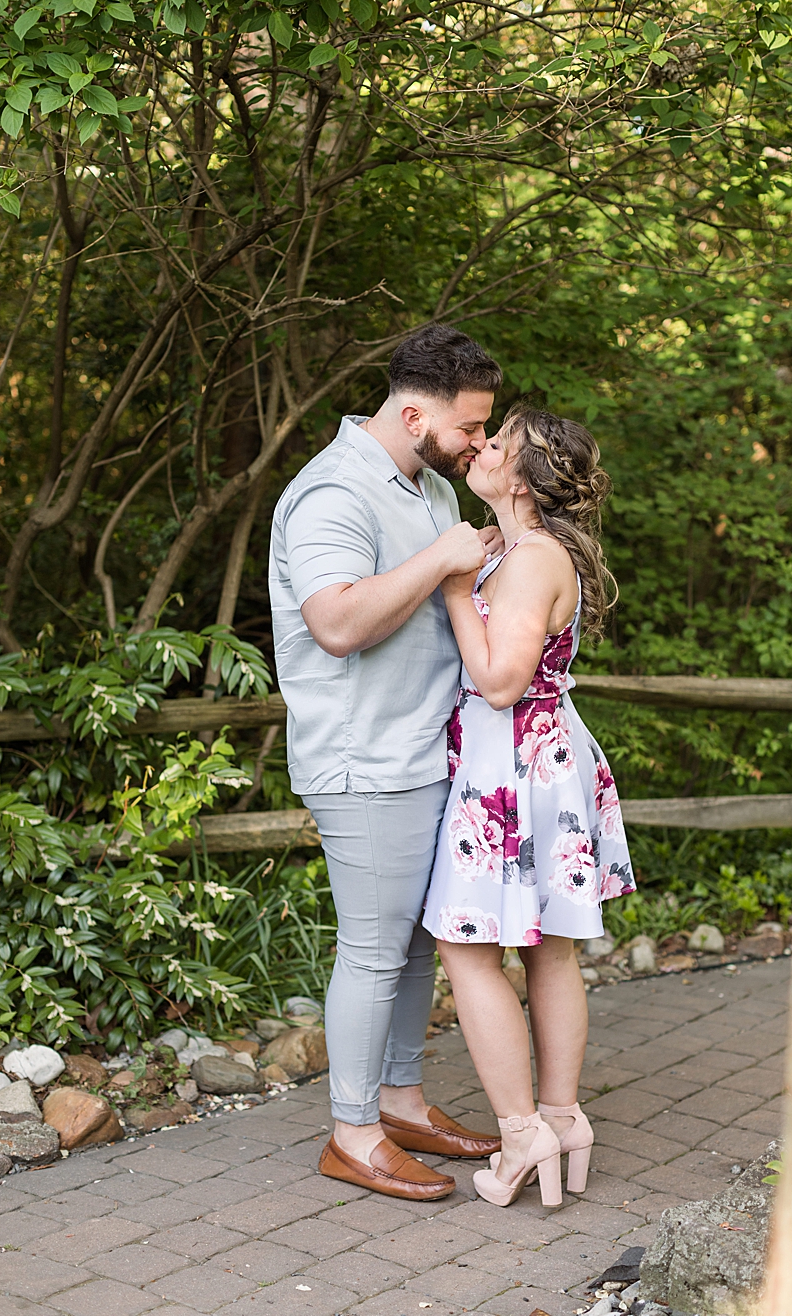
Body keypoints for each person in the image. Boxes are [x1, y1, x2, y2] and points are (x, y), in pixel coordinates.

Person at [267, 324, 509, 1202]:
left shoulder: (429, 488)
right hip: (364, 760)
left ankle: (401, 1103)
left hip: (425, 751)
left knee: (413, 948)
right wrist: (441, 559)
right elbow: (334, 623)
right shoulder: (331, 493)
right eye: (470, 429)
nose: (479, 444)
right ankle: (352, 1133)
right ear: (414, 414)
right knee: (373, 951)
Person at [422, 402, 635, 1207]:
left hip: (512, 766)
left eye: (497, 443)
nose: (479, 448)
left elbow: (501, 681)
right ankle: (561, 1117)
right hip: (540, 761)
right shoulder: (529, 551)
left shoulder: (529, 559)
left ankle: (522, 1136)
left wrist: (449, 587)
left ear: (523, 473)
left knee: (468, 947)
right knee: (549, 949)